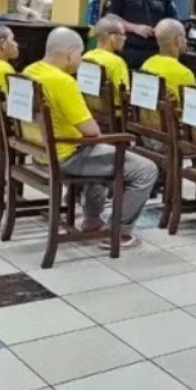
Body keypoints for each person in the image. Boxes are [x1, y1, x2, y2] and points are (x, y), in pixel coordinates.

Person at [22, 27, 157, 248]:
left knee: (102, 153)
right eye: (80, 54)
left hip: (39, 151)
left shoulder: (29, 71)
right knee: (146, 169)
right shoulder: (62, 81)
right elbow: (91, 131)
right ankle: (117, 232)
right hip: (66, 156)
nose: (81, 59)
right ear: (70, 54)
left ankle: (92, 220)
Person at [105, 0, 179, 68]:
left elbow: (174, 22)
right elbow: (109, 18)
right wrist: (134, 28)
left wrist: (163, 28)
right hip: (127, 51)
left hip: (154, 52)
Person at [81, 14, 130, 112]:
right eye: (123, 35)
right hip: (115, 115)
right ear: (113, 37)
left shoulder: (85, 57)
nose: (125, 38)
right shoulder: (116, 62)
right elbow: (125, 94)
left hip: (90, 111)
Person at [140, 18, 196, 100]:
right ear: (177, 40)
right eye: (184, 37)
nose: (186, 41)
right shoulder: (184, 74)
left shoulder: (146, 64)